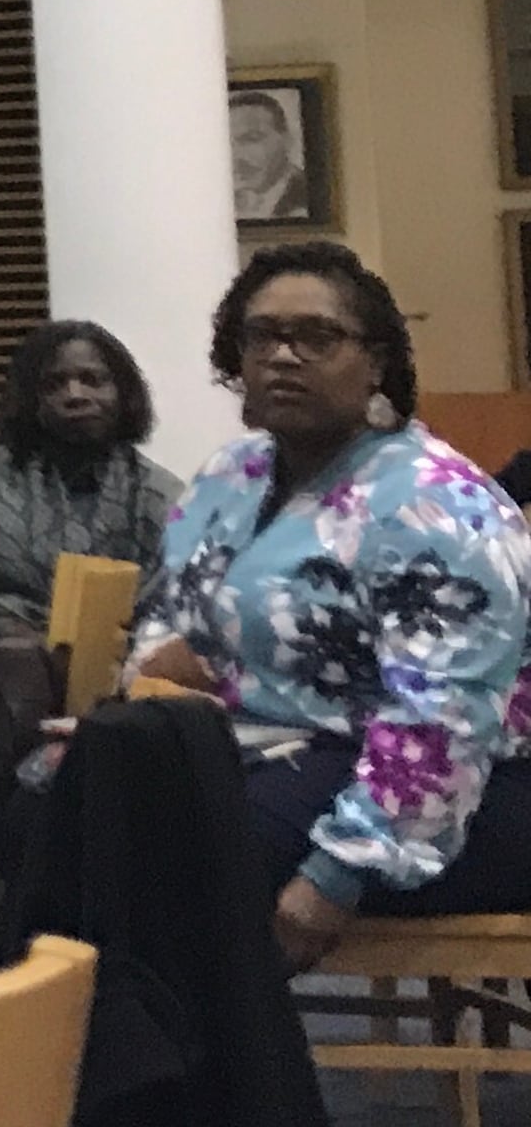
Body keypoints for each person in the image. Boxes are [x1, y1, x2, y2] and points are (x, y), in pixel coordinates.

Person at [131, 242, 531, 970]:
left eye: (317, 337)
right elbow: (166, 617)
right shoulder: (229, 475)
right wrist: (150, 699)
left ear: (376, 364)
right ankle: (67, 1062)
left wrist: (338, 873)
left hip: (468, 793)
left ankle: (216, 1078)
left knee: (196, 846)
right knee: (59, 805)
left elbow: (446, 719)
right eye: (262, 337)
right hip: (279, 754)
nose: (284, 356)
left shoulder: (437, 506)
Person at [0, 319, 182, 639]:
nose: (75, 394)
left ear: (124, 392)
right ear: (31, 399)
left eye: (92, 380)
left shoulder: (161, 495)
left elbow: (182, 608)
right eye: (54, 383)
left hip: (125, 671)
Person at [232, 91, 309, 221]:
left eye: (251, 139)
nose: (236, 156)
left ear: (287, 140)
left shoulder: (307, 198)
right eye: (226, 144)